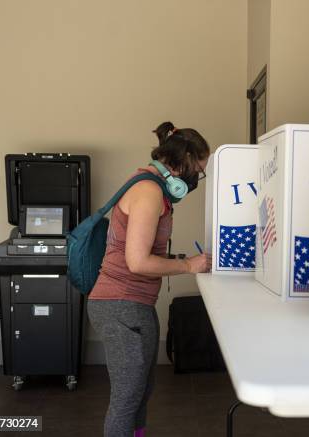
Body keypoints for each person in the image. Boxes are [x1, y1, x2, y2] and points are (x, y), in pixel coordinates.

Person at [87, 121, 212, 437]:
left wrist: (184, 261)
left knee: (141, 392)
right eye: (198, 169)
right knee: (126, 400)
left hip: (133, 304)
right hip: (120, 304)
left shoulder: (153, 188)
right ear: (182, 161)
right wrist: (187, 266)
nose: (196, 178)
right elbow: (138, 262)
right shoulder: (149, 191)